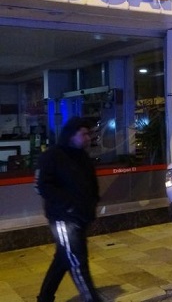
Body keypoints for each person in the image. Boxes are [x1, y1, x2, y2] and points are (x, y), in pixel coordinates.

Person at [35, 117, 103, 302]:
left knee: (63, 258)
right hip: (63, 218)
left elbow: (91, 186)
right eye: (84, 134)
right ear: (72, 135)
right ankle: (91, 298)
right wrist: (69, 205)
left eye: (89, 133)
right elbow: (42, 186)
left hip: (81, 217)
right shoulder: (52, 156)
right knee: (76, 260)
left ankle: (44, 298)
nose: (88, 137)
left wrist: (91, 209)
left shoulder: (82, 157)